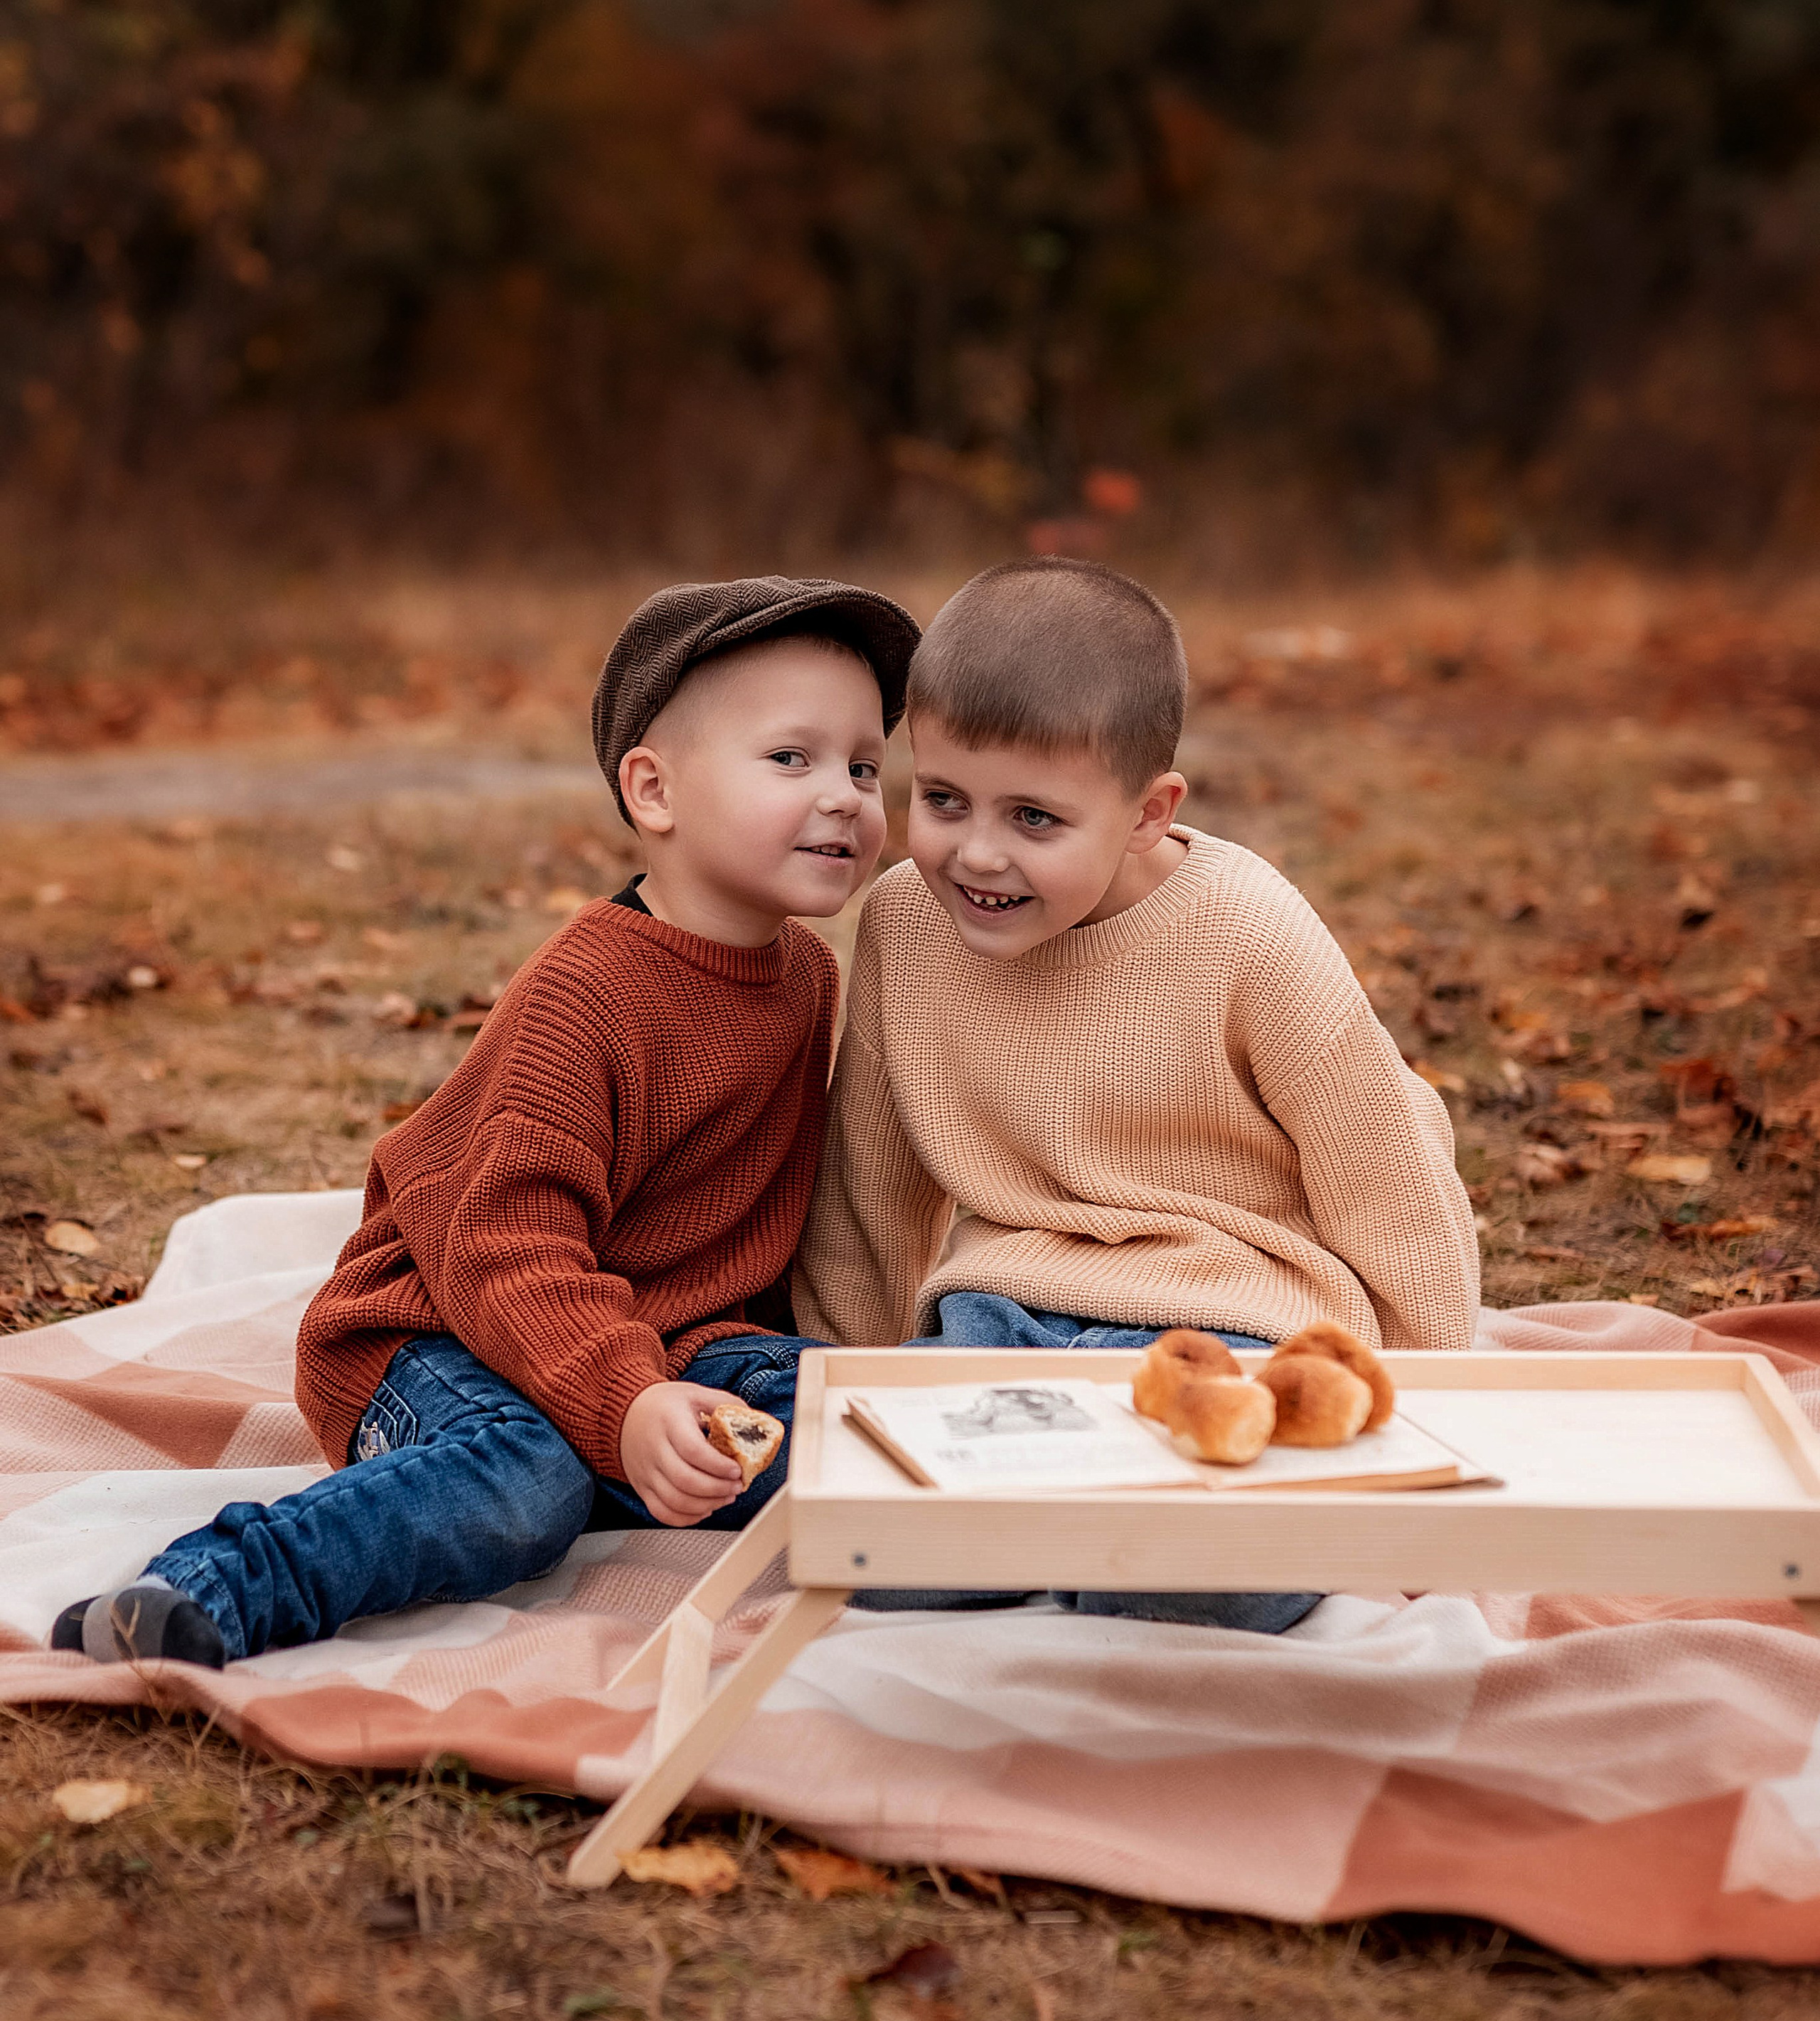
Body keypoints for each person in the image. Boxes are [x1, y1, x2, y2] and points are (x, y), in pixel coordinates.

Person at [52, 575, 919, 1666]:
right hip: (443, 1329)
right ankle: (214, 1584)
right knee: (528, 1478)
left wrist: (723, 1380)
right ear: (654, 791)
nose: (843, 794)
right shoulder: (586, 993)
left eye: (864, 764)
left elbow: (739, 1224)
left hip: (658, 1335)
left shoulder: (804, 976)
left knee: (850, 1422)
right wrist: (625, 1399)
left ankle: (1043, 1547)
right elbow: (504, 1243)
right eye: (792, 759)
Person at [789, 555, 1480, 1628]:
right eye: (942, 798)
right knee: (878, 1557)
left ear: (1151, 812)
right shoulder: (902, 925)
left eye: (1035, 819)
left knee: (1181, 1580)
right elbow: (868, 1188)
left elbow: (1384, 1169)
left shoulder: (1249, 928)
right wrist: (845, 1391)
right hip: (1002, 1320)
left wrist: (1433, 1403)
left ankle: (1116, 1542)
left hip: (1227, 1316)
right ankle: (1054, 1526)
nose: (976, 852)